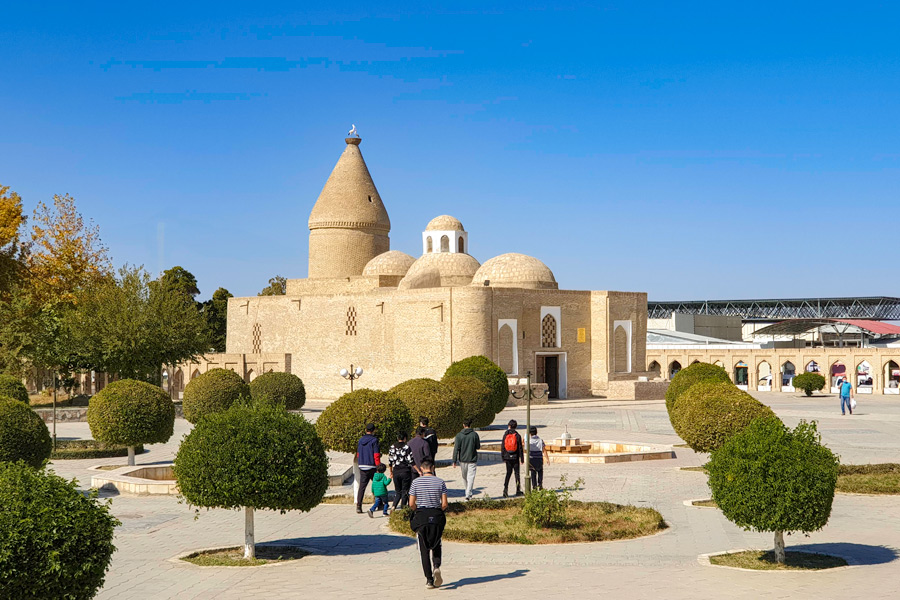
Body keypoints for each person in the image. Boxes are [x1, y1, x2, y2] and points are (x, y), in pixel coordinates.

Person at [409, 458, 448, 589]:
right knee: (437, 543)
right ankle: (436, 566)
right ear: (433, 468)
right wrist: (437, 510)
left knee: (424, 550)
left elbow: (411, 503)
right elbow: (444, 504)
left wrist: (417, 511)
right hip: (436, 516)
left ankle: (429, 580)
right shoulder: (440, 482)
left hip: (422, 517)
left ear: (421, 468)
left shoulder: (415, 482)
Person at [452, 418, 481, 500]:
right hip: (472, 459)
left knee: (464, 477)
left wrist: (454, 460)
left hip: (462, 459)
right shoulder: (474, 435)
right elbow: (478, 446)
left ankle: (467, 493)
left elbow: (456, 448)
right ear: (470, 425)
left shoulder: (459, 435)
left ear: (463, 425)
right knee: (470, 477)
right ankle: (468, 493)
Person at [355, 423, 381, 514]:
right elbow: (376, 455)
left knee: (362, 487)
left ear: (366, 430)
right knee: (378, 485)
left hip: (362, 466)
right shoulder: (374, 440)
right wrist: (378, 466)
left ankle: (359, 506)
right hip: (372, 466)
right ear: (373, 430)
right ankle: (380, 503)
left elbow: (358, 454)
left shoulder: (360, 440)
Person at [389, 431, 415, 510]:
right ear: (405, 438)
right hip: (405, 471)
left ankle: (393, 506)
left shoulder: (392, 447)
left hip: (396, 471)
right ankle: (403, 508)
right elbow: (411, 460)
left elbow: (390, 461)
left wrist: (391, 472)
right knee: (405, 491)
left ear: (397, 438)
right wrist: (418, 469)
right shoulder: (406, 447)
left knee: (398, 491)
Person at [500, 419, 524, 497]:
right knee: (517, 474)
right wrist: (522, 458)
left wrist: (503, 457)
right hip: (515, 457)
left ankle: (505, 489)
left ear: (509, 426)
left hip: (507, 457)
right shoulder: (517, 435)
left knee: (508, 473)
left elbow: (503, 446)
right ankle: (518, 490)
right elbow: (520, 448)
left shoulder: (505, 434)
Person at [528, 426, 550, 490]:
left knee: (533, 473)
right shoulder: (540, 440)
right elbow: (544, 450)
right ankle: (540, 485)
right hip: (539, 458)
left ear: (530, 433)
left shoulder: (529, 441)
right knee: (540, 472)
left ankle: (534, 487)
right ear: (536, 432)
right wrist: (547, 459)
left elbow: (524, 447)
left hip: (532, 458)